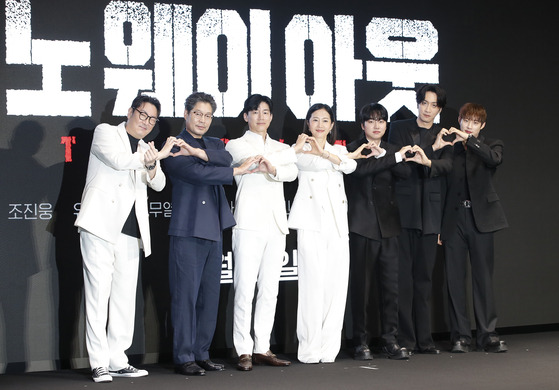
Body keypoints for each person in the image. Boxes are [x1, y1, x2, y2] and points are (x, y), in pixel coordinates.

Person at [75, 94, 176, 383]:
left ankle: (117, 359)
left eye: (152, 119)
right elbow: (119, 161)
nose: (146, 122)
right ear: (130, 112)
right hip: (100, 226)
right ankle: (98, 362)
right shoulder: (105, 132)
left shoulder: (147, 148)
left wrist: (154, 161)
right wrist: (154, 157)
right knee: (98, 296)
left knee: (123, 299)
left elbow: (158, 183)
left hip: (132, 231)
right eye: (142, 115)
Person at [164, 92, 257, 376]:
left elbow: (225, 157)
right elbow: (198, 174)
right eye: (197, 114)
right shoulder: (175, 145)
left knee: (210, 296)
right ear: (186, 114)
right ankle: (183, 356)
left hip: (214, 229)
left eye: (208, 115)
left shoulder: (215, 144)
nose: (202, 120)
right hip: (188, 228)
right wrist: (231, 170)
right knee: (185, 297)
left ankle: (202, 353)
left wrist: (201, 153)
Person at [226, 94, 297, 371]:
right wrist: (288, 155)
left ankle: (262, 347)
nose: (261, 117)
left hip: (276, 223)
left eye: (266, 112)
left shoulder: (280, 148)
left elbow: (291, 174)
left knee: (270, 289)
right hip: (248, 223)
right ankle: (243, 349)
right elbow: (251, 161)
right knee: (244, 288)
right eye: (255, 112)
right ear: (246, 116)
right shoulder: (235, 144)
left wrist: (277, 165)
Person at [287, 103, 357, 363]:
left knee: (336, 288)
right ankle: (308, 348)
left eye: (324, 120)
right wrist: (321, 155)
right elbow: (307, 165)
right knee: (312, 286)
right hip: (311, 223)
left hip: (338, 225)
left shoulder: (338, 149)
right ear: (307, 123)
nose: (319, 125)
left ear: (331, 125)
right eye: (314, 119)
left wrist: (328, 155)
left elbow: (349, 166)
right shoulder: (298, 149)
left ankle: (329, 349)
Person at [387, 84, 453, 354]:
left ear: (439, 109)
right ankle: (406, 339)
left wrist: (432, 152)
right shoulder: (399, 127)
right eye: (424, 103)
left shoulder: (445, 133)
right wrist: (431, 150)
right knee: (403, 279)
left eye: (434, 105)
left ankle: (425, 339)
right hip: (404, 212)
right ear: (418, 103)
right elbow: (402, 164)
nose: (428, 109)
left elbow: (446, 167)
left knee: (424, 279)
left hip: (431, 214)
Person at [345, 103, 412, 361]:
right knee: (361, 287)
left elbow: (406, 172)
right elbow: (362, 171)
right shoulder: (352, 149)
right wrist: (388, 157)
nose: (376, 125)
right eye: (371, 121)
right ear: (362, 125)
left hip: (389, 225)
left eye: (381, 121)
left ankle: (390, 339)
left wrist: (386, 153)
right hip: (361, 225)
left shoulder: (393, 149)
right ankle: (360, 341)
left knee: (390, 287)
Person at [440, 103, 508, 353]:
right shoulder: (449, 146)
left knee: (483, 278)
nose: (469, 126)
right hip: (454, 218)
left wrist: (471, 142)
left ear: (482, 126)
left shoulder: (491, 145)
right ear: (459, 120)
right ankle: (460, 335)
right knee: (455, 278)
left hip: (482, 219)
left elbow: (494, 160)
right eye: (465, 120)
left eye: (474, 122)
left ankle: (487, 334)